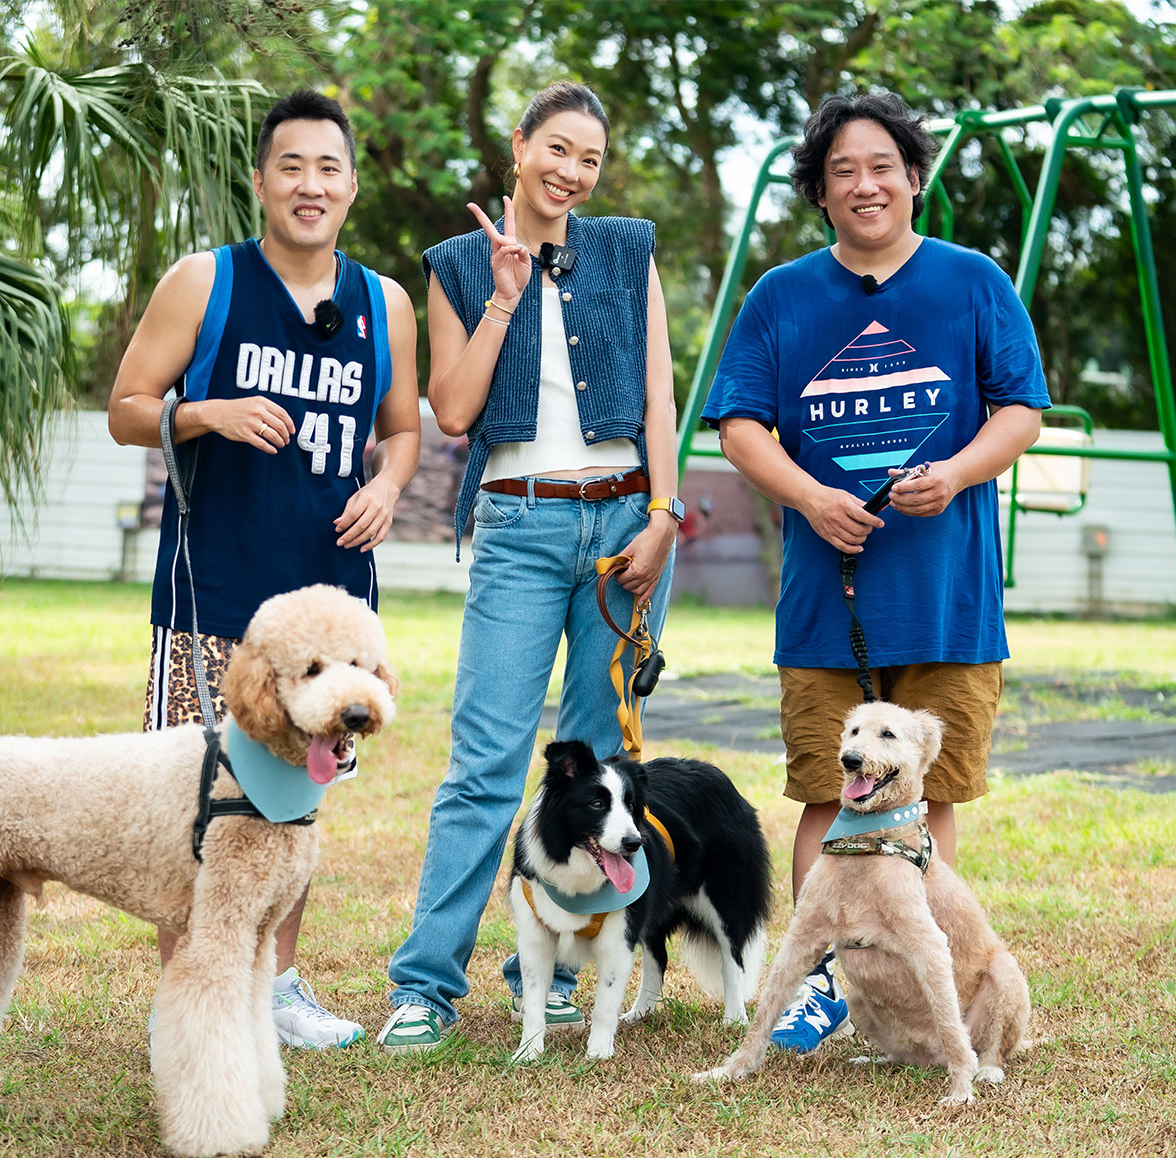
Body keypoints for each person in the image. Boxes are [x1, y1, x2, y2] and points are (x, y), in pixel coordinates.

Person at [701, 91, 1049, 1052]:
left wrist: (958, 471)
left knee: (926, 804)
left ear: (913, 178)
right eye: (843, 171)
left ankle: (912, 987)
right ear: (820, 191)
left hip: (948, 598)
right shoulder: (781, 296)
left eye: (882, 166)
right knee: (827, 792)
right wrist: (812, 497)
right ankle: (819, 987)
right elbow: (738, 427)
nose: (865, 184)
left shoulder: (974, 283)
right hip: (827, 604)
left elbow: (1020, 409)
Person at [108, 88, 420, 1050]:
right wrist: (207, 413)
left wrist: (388, 486)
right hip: (215, 595)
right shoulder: (205, 281)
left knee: (297, 799)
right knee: (198, 809)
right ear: (261, 181)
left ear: (352, 186)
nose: (310, 185)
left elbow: (403, 428)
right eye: (292, 166)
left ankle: (276, 988)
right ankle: (196, 995)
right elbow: (126, 407)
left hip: (329, 619)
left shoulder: (384, 302)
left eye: (329, 168)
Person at [379, 82, 679, 1053]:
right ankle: (426, 983)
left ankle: (547, 968)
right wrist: (506, 294)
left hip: (626, 531)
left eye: (588, 158)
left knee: (594, 770)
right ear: (518, 146)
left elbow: (664, 394)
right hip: (519, 527)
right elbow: (455, 413)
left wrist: (667, 513)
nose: (571, 173)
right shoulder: (459, 265)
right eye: (556, 149)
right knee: (486, 766)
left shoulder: (628, 249)